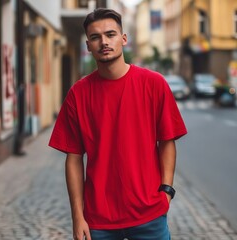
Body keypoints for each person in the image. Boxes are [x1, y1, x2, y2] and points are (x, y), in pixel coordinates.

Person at [49, 8, 187, 240]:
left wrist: (166, 191)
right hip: (98, 220)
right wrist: (77, 216)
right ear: (88, 45)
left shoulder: (154, 84)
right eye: (95, 37)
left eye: (110, 34)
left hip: (149, 215)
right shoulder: (78, 94)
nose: (104, 42)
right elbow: (73, 158)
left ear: (124, 39)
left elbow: (167, 141)